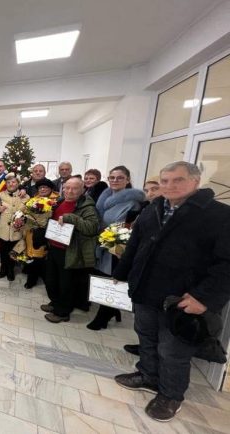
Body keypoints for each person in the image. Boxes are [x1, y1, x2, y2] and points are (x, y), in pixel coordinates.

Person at [112, 161, 230, 422]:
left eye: (178, 180)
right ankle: (148, 376)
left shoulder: (219, 215)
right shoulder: (153, 208)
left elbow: (226, 263)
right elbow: (135, 244)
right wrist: (121, 273)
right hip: (146, 290)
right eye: (165, 181)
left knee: (173, 350)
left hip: (182, 298)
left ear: (195, 181)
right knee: (147, 337)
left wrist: (204, 298)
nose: (170, 186)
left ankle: (170, 395)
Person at [87, 165, 145, 330]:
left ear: (127, 180)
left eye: (120, 178)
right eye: (112, 177)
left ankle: (104, 316)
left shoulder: (133, 202)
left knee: (112, 280)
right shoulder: (105, 197)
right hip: (102, 244)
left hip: (117, 248)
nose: (115, 180)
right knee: (101, 277)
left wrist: (114, 239)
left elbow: (129, 227)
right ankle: (111, 310)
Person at [42, 177, 99, 323]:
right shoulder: (60, 201)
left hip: (69, 251)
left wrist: (71, 218)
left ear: (82, 190)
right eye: (67, 188)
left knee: (66, 284)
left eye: (74, 188)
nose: (69, 191)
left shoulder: (87, 207)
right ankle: (55, 303)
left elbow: (92, 228)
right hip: (53, 247)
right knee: (51, 280)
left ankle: (63, 312)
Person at [123, 176, 163, 356]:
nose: (150, 193)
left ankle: (150, 355)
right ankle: (145, 347)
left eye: (155, 189)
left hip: (157, 271)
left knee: (154, 318)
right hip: (141, 266)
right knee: (143, 318)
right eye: (147, 190)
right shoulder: (147, 208)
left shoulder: (165, 212)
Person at [0, 173, 28, 281]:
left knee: (13, 252)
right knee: (3, 251)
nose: (11, 184)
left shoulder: (25, 197)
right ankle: (3, 268)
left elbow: (28, 213)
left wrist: (22, 219)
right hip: (2, 230)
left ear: (18, 183)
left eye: (13, 182)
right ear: (6, 184)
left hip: (17, 230)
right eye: (9, 182)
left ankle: (11, 269)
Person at [23, 178, 59, 289]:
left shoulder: (56, 201)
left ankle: (42, 277)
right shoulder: (33, 199)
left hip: (48, 233)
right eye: (40, 187)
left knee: (44, 257)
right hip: (32, 232)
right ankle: (32, 278)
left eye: (45, 187)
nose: (42, 189)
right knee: (32, 255)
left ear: (51, 189)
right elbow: (25, 211)